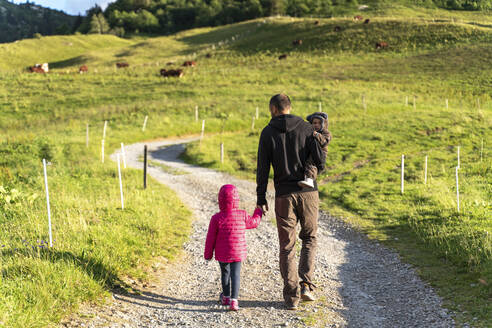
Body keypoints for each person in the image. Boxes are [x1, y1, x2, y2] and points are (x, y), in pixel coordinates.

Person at [256, 94, 326, 310]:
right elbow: (320, 161)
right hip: (308, 193)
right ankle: (306, 285)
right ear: (290, 107)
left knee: (287, 247)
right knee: (309, 239)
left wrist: (261, 197)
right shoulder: (307, 128)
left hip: (284, 196)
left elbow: (262, 168)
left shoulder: (267, 133)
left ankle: (291, 298)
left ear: (273, 109)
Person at [204, 184, 263, 311]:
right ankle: (234, 301)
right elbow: (254, 222)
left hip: (222, 253)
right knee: (235, 274)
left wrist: (208, 254)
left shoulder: (216, 218)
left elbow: (210, 239)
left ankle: (225, 297)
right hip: (238, 252)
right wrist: (258, 211)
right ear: (236, 199)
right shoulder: (242, 215)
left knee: (225, 273)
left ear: (220, 200)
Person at [298, 112, 332, 188]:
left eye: (319, 123)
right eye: (314, 123)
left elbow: (324, 142)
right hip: (310, 151)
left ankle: (310, 179)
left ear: (324, 124)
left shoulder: (325, 133)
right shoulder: (309, 133)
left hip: (320, 153)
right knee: (306, 163)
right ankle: (305, 177)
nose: (316, 125)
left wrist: (316, 135)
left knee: (311, 163)